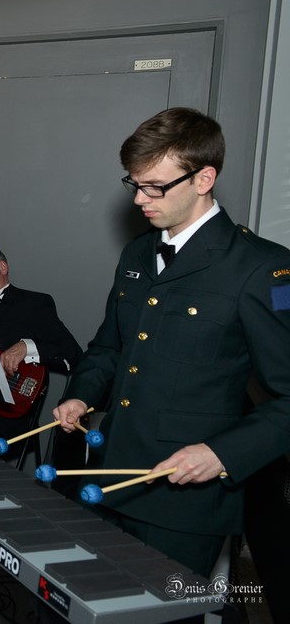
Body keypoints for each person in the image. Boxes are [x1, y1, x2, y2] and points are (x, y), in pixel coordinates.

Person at [53, 107, 290, 579]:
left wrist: (223, 454)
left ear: (204, 178)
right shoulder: (137, 252)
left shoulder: (261, 268)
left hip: (183, 502)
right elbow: (110, 346)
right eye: (134, 184)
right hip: (108, 475)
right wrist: (81, 394)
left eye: (155, 187)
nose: (139, 199)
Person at [0, 246, 82, 453]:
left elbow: (72, 354)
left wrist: (27, 347)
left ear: (3, 267)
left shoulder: (33, 304)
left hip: (4, 417)